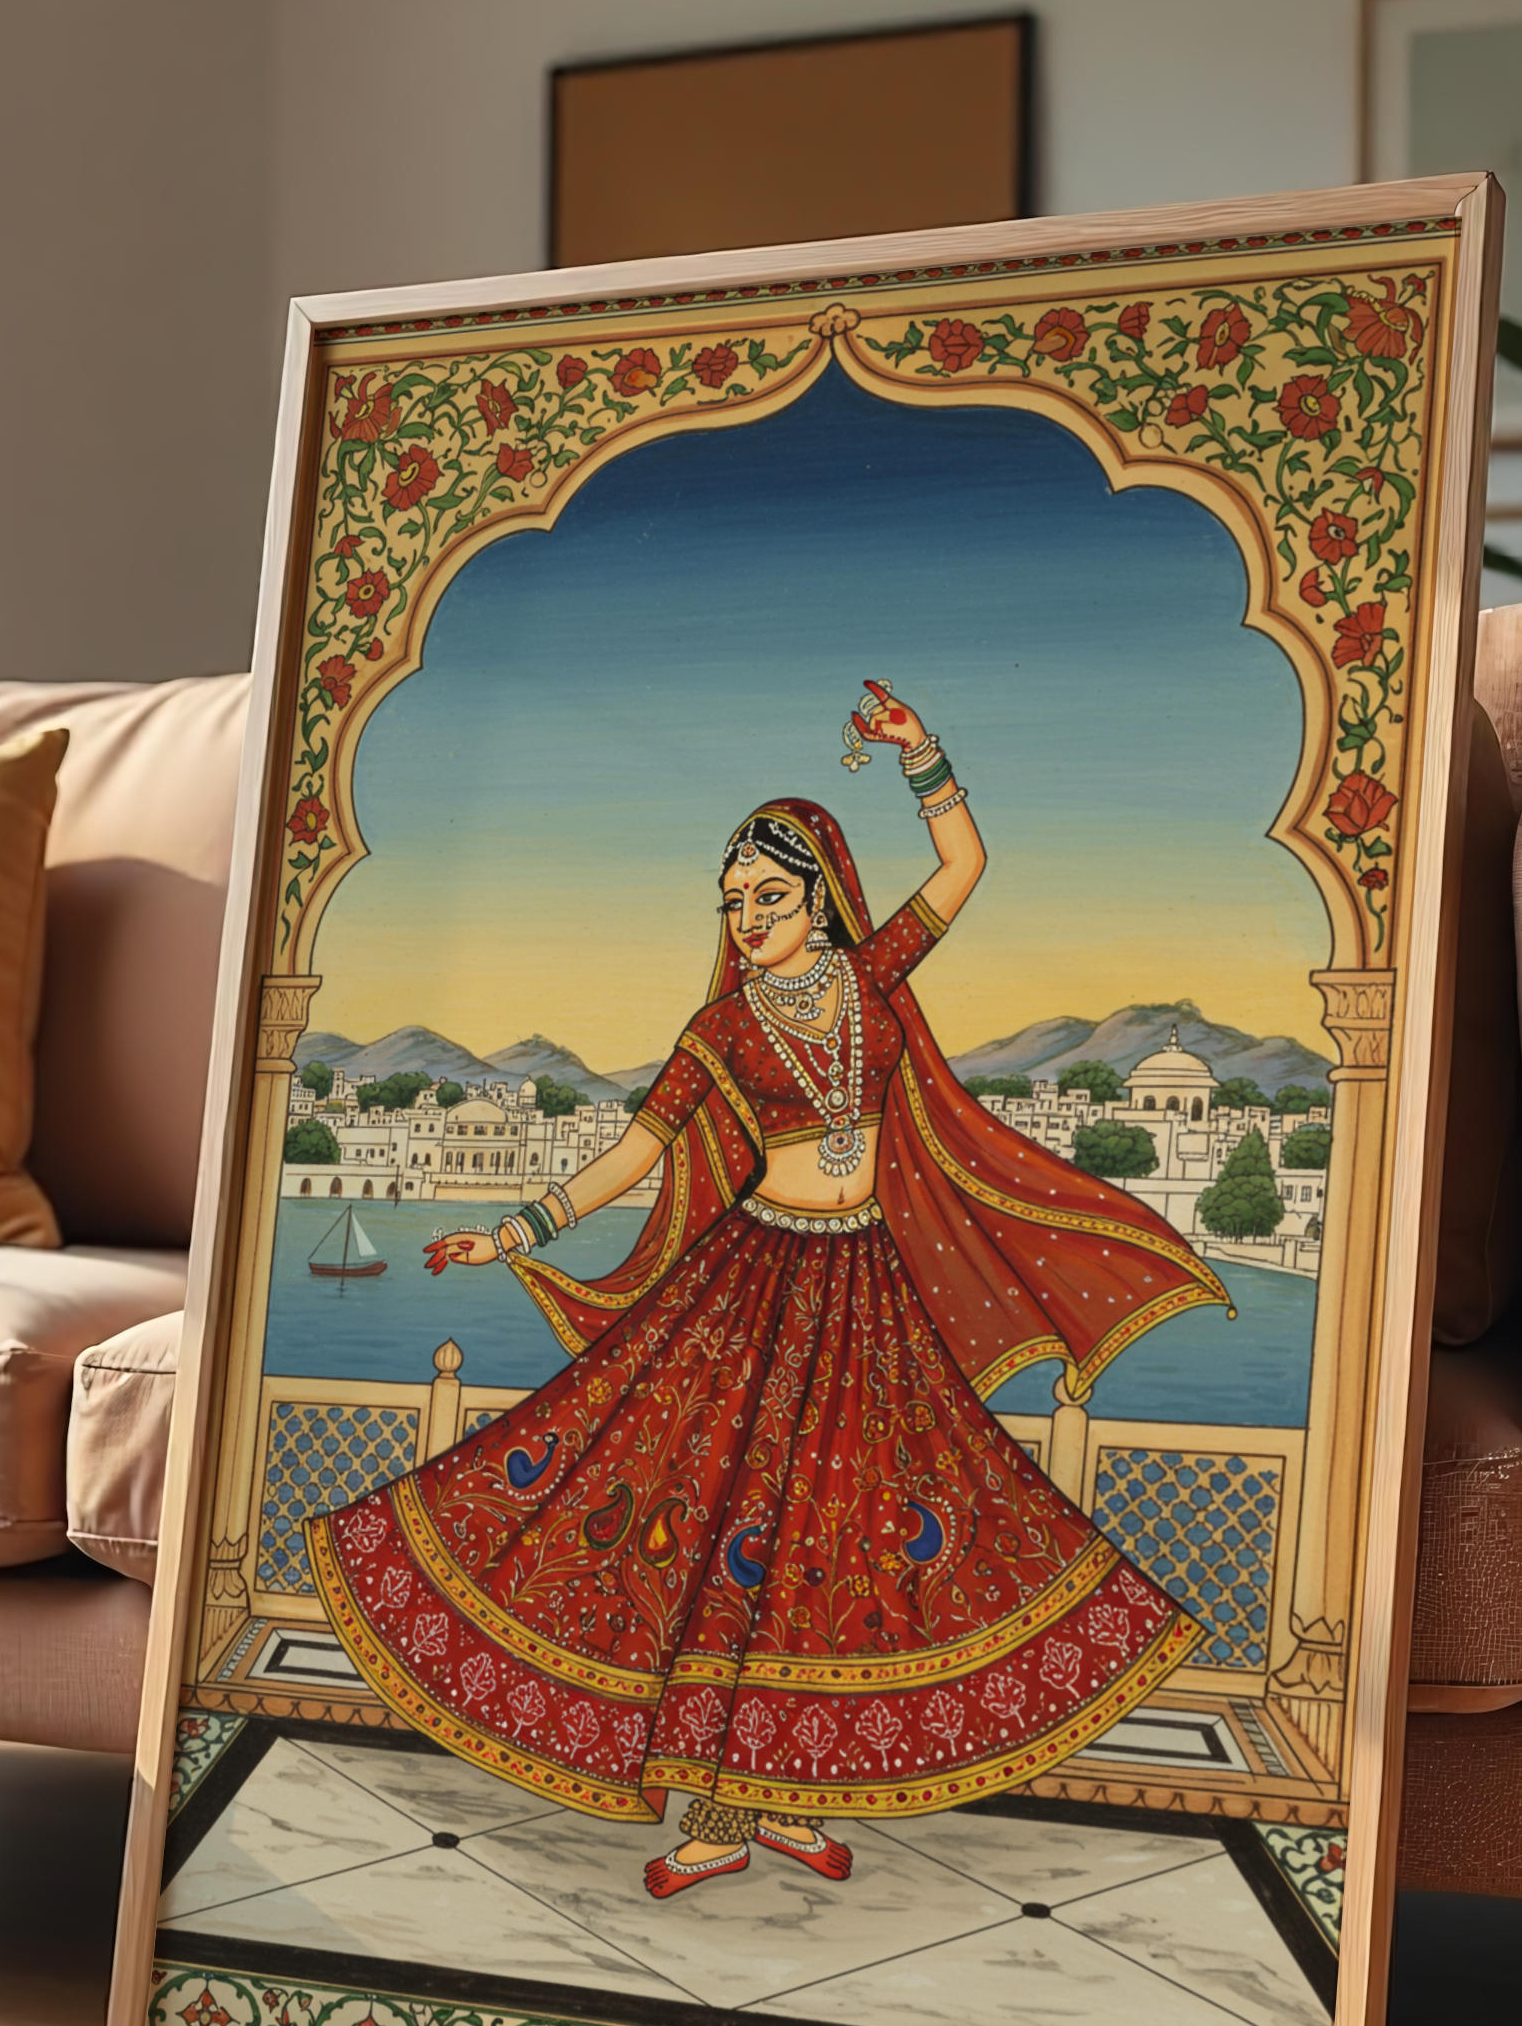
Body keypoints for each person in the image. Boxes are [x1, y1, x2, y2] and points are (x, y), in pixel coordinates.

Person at [304, 679, 1223, 1898]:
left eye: (770, 897)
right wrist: (517, 1229)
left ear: (823, 898)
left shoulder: (877, 975)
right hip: (757, 1282)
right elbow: (635, 1154)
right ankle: (717, 1814)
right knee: (718, 1522)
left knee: (844, 1531)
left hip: (870, 1290)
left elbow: (963, 864)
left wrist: (922, 753)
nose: (746, 919)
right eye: (732, 902)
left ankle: (785, 1796)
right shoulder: (721, 1031)